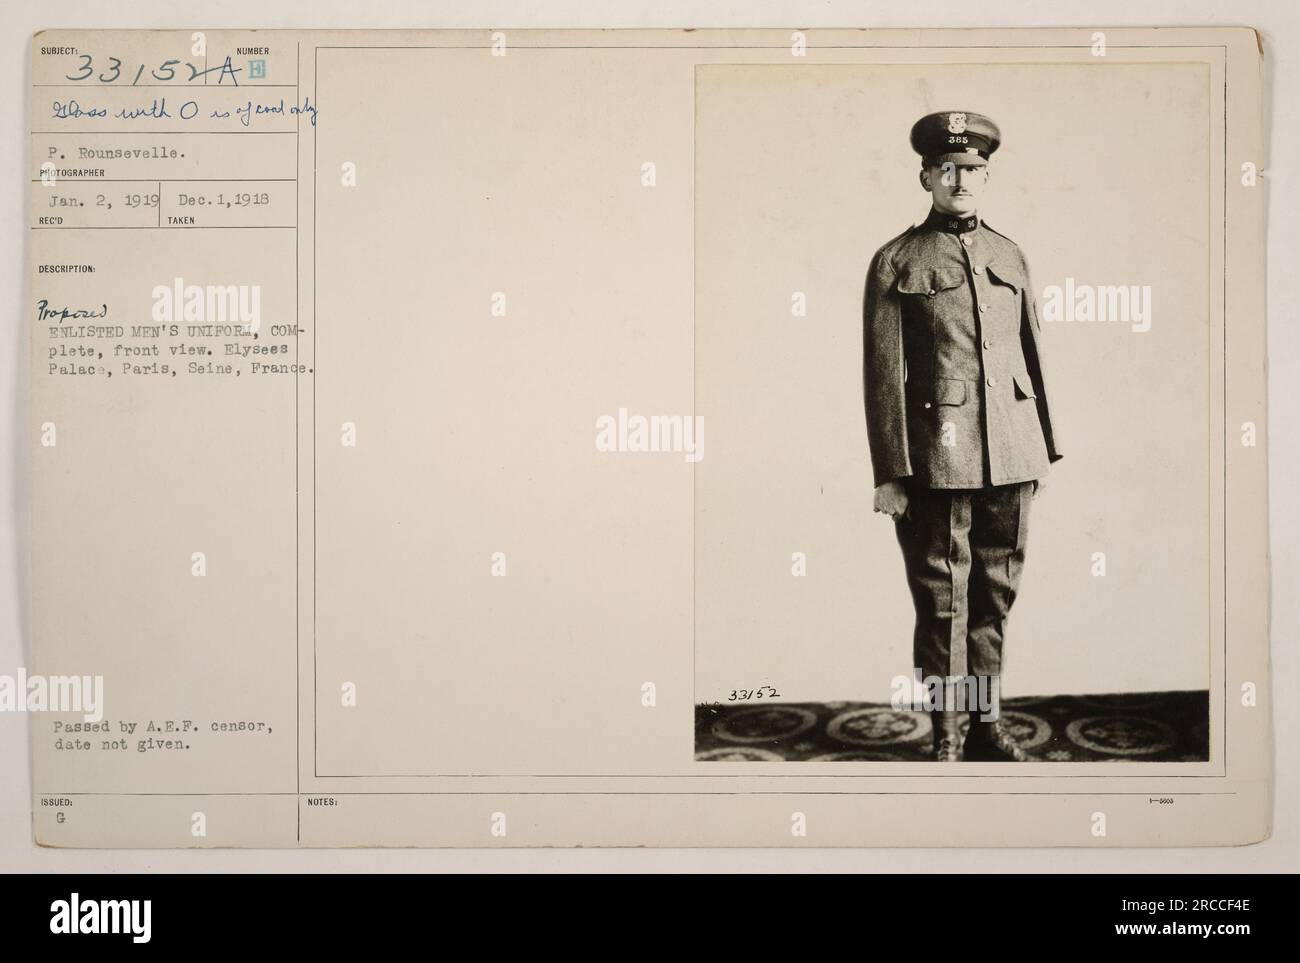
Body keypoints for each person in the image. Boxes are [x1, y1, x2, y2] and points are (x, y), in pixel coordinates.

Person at [862, 110, 1063, 762]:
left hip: (1011, 450)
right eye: (946, 168)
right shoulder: (897, 260)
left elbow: (1032, 353)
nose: (959, 178)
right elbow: (883, 374)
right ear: (925, 175)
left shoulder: (1010, 255)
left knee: (994, 594)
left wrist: (1043, 445)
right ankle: (945, 734)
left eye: (971, 168)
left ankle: (985, 724)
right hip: (937, 458)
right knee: (944, 599)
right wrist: (891, 470)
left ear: (986, 173)